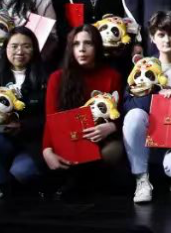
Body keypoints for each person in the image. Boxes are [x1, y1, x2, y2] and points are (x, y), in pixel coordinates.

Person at [120, 11, 171, 203]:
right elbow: (128, 105)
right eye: (161, 34)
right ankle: (142, 179)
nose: (167, 40)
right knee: (134, 116)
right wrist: (156, 95)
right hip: (149, 140)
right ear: (152, 37)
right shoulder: (142, 67)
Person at [41, 25, 126, 199]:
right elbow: (51, 119)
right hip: (70, 140)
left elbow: (119, 113)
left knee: (114, 151)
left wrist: (112, 126)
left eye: (88, 43)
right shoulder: (57, 78)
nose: (82, 49)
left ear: (97, 46)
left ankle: (84, 183)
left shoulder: (112, 76)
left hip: (102, 139)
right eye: (76, 44)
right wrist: (46, 150)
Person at [0, 27, 49, 199]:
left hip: (34, 142)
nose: (20, 51)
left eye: (26, 46)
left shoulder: (45, 76)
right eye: (14, 46)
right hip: (3, 139)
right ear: (6, 49)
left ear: (34, 49)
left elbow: (51, 116)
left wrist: (22, 125)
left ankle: (8, 181)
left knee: (23, 172)